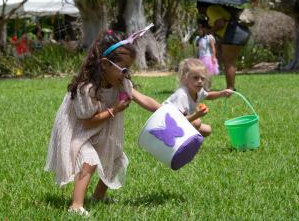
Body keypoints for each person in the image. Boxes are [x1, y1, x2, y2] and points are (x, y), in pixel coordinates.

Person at [44, 30, 161, 216]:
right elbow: (88, 122)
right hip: (79, 131)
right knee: (88, 161)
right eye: (123, 69)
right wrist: (115, 109)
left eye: (128, 69)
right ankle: (76, 206)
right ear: (105, 64)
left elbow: (142, 99)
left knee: (114, 159)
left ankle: (98, 197)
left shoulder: (120, 83)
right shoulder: (87, 88)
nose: (126, 74)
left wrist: (165, 110)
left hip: (102, 128)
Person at [164, 58, 233, 137]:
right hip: (166, 125)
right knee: (197, 122)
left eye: (202, 78)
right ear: (184, 79)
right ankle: (183, 143)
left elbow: (208, 95)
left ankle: (188, 137)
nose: (200, 81)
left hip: (180, 123)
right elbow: (177, 121)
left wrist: (222, 93)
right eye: (195, 78)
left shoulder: (198, 91)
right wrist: (196, 115)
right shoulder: (181, 96)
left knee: (207, 130)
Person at [197, 2, 250, 90]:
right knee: (227, 60)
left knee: (228, 61)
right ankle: (230, 87)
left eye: (198, 8)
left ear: (202, 7)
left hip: (234, 33)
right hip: (239, 32)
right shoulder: (217, 8)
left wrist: (210, 30)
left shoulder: (211, 9)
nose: (199, 12)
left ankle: (230, 88)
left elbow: (220, 23)